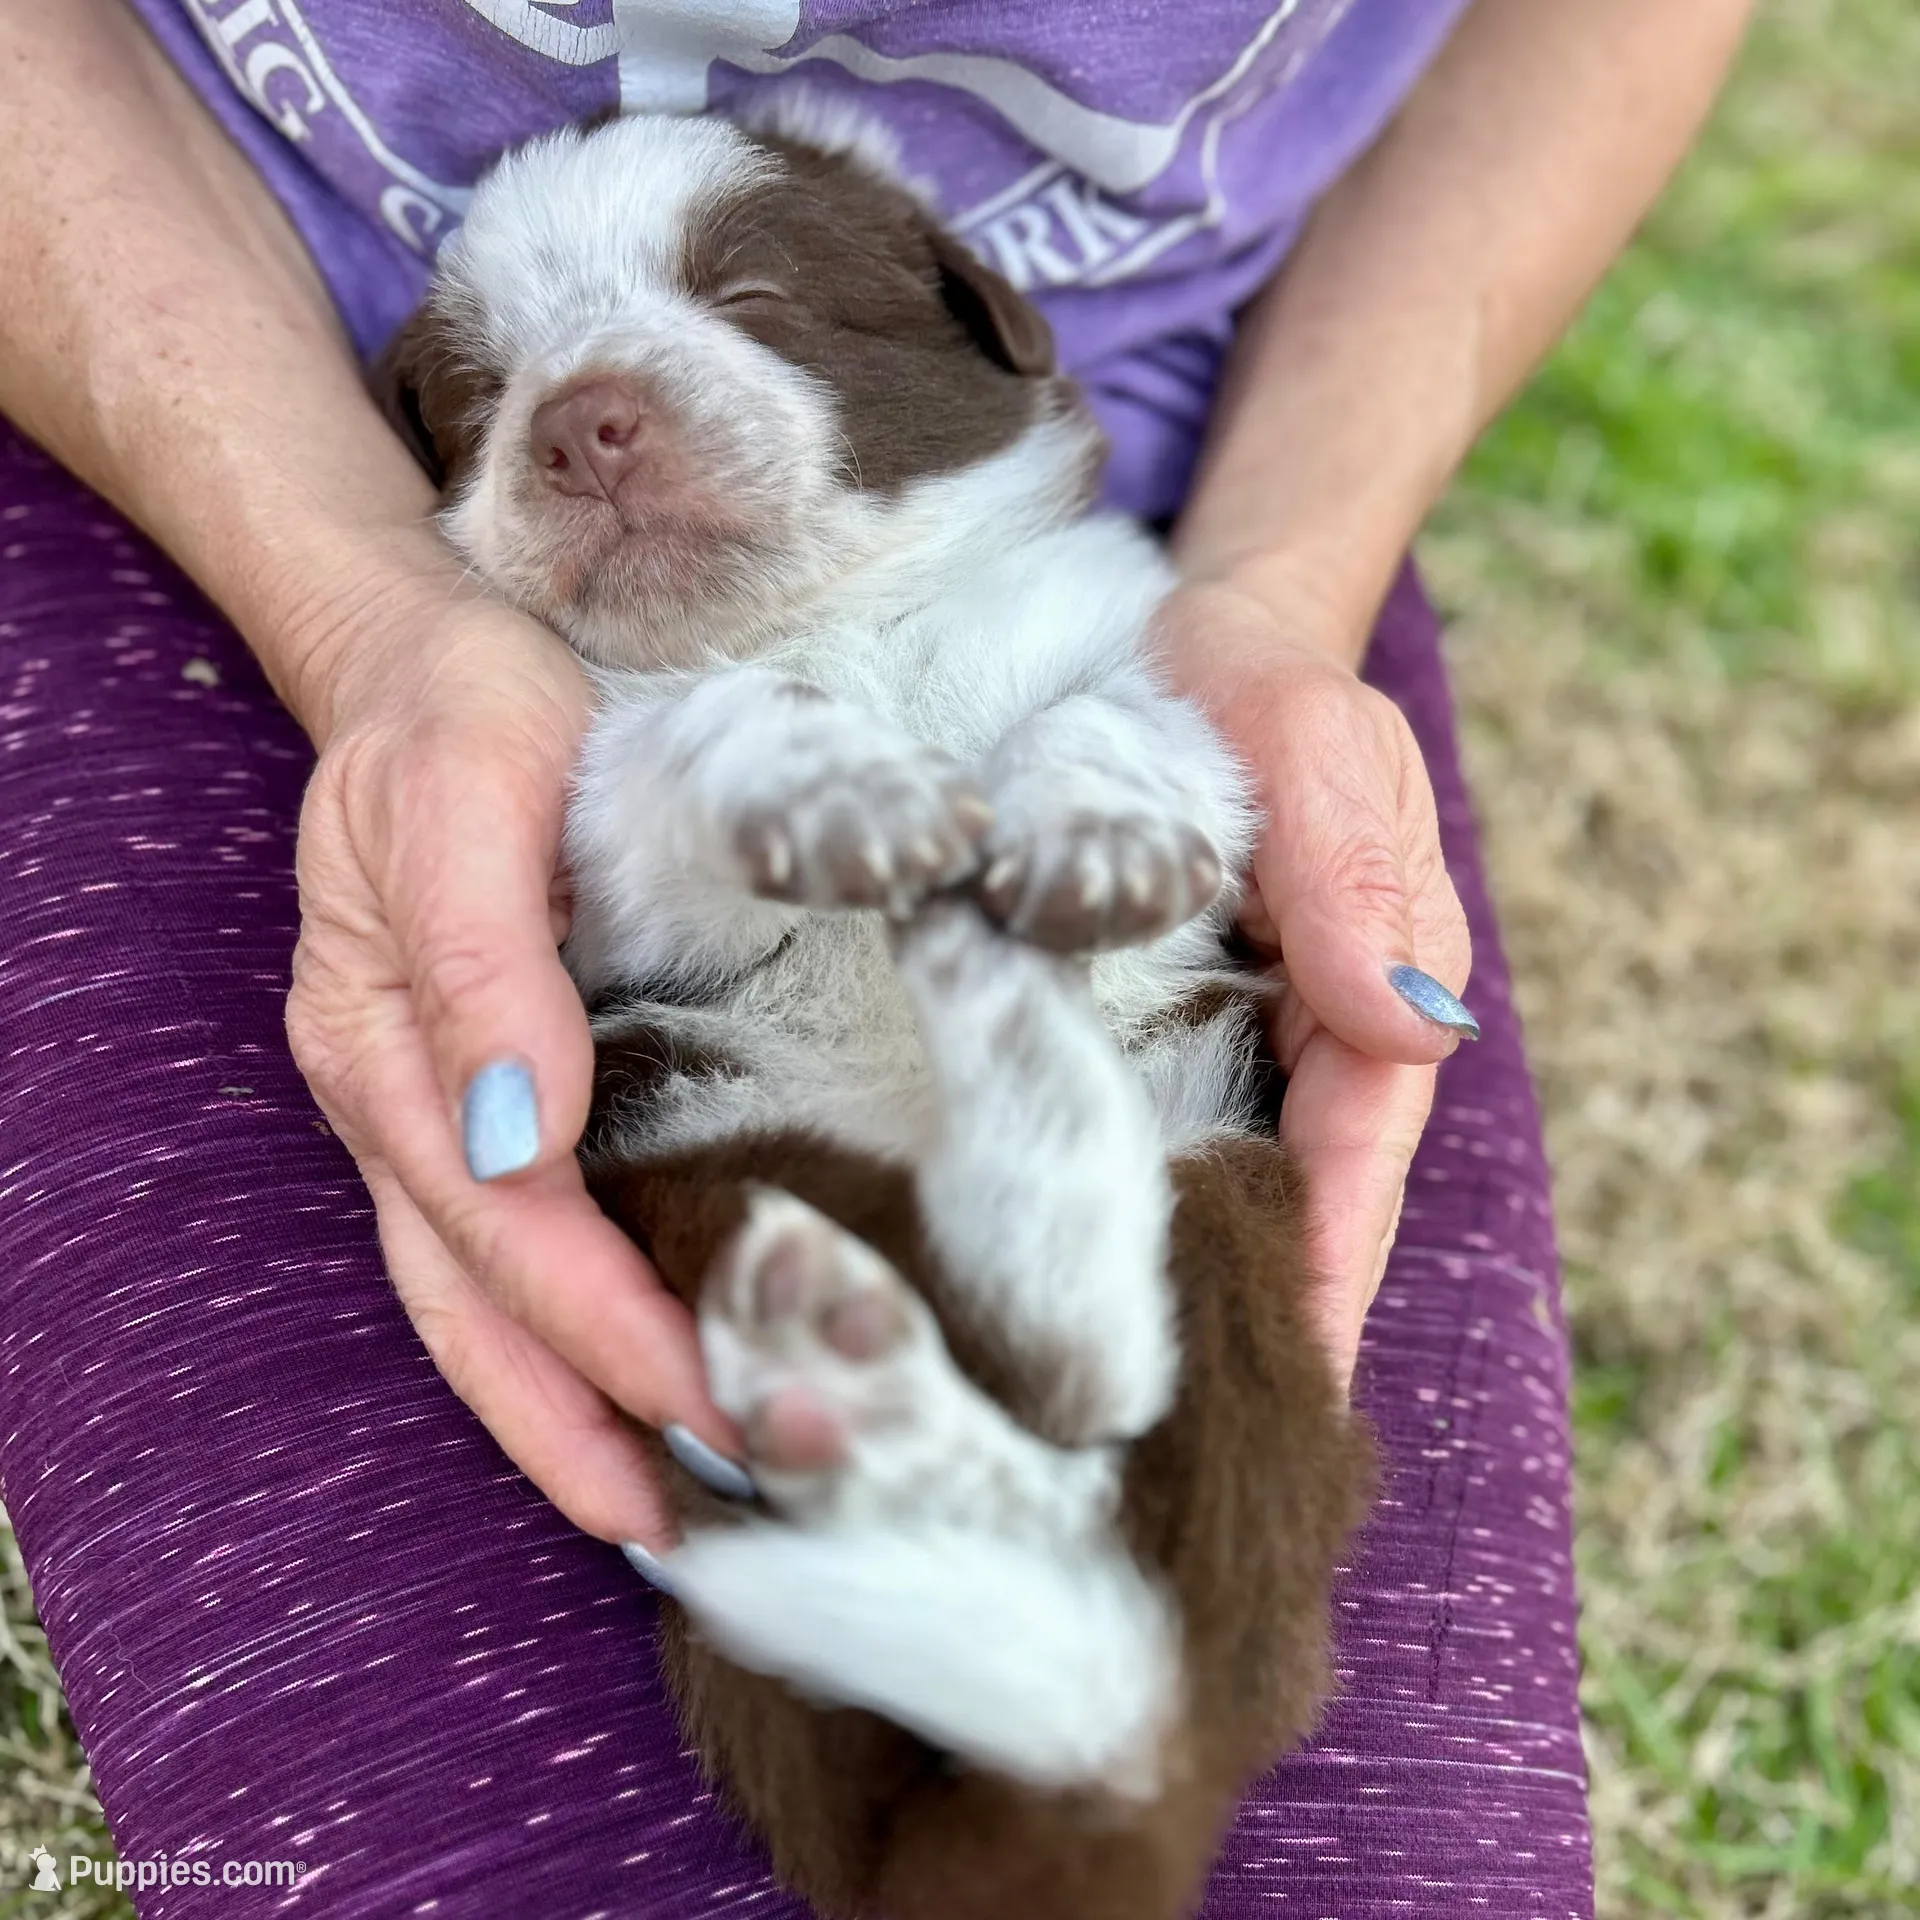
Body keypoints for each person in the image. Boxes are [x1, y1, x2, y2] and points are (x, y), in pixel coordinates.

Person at [0, 3, 1749, 1913]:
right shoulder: (597, 701)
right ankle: (902, 1522)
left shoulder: (1068, 583)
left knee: (1317, 1755)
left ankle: (1020, 1588)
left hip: (1225, 468)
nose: (585, 415)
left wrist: (1261, 615)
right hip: (208, 362)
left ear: (965, 320)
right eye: (486, 400)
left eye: (746, 308)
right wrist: (371, 623)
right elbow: (640, 840)